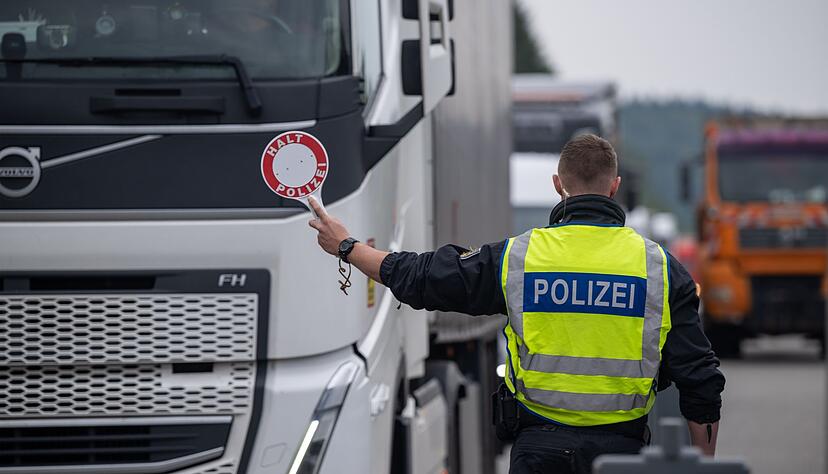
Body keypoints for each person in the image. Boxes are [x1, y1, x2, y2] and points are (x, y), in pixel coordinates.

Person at [308, 134, 725, 474]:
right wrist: (703, 465)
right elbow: (700, 380)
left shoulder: (518, 259)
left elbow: (421, 278)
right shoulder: (660, 268)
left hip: (539, 452)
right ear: (614, 187)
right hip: (623, 453)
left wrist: (347, 246)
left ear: (558, 185)